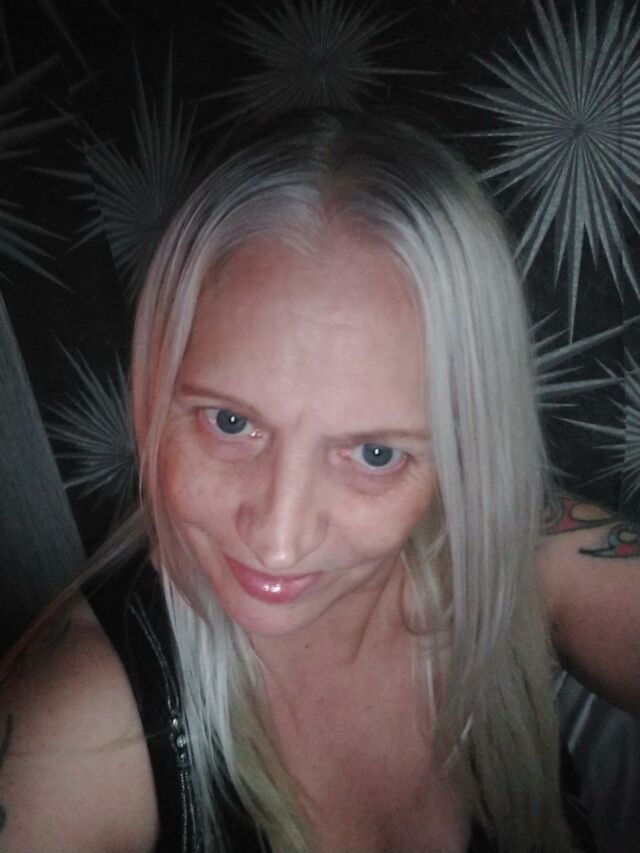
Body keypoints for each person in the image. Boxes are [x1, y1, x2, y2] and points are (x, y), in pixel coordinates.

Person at [0, 108, 618, 852]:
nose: (279, 541)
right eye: (230, 421)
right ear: (154, 387)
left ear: (464, 450)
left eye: (376, 454)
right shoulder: (72, 734)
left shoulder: (521, 550)